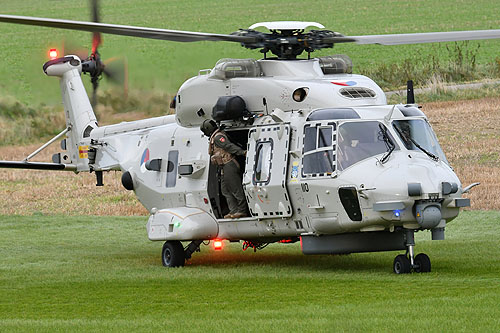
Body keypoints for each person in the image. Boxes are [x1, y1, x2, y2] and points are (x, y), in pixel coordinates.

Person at [201, 119, 248, 219]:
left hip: (229, 164)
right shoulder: (214, 138)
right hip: (223, 166)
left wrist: (242, 152)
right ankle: (234, 210)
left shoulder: (218, 137)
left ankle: (242, 210)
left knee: (235, 189)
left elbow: (229, 146)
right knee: (225, 190)